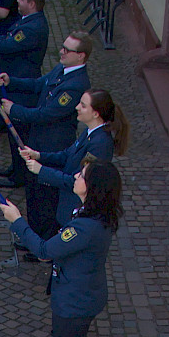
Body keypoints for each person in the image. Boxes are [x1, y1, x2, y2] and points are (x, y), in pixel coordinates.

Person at [0, 155, 121, 337]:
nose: (76, 177)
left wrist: (17, 222)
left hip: (74, 303)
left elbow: (44, 251)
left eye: (82, 176)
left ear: (92, 188)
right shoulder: (92, 216)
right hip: (82, 295)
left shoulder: (85, 226)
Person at [18, 87, 126, 237]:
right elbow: (67, 155)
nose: (76, 107)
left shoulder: (100, 144)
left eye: (83, 105)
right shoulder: (89, 132)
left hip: (74, 204)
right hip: (66, 203)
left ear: (96, 113)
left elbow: (78, 179)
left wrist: (41, 170)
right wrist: (39, 155)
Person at [0, 31, 92, 175]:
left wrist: (14, 110)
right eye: (63, 47)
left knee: (41, 188)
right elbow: (39, 84)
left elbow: (48, 114)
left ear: (80, 56)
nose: (61, 52)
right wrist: (10, 81)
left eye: (67, 50)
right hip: (39, 136)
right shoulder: (62, 68)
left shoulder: (76, 85)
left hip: (52, 143)